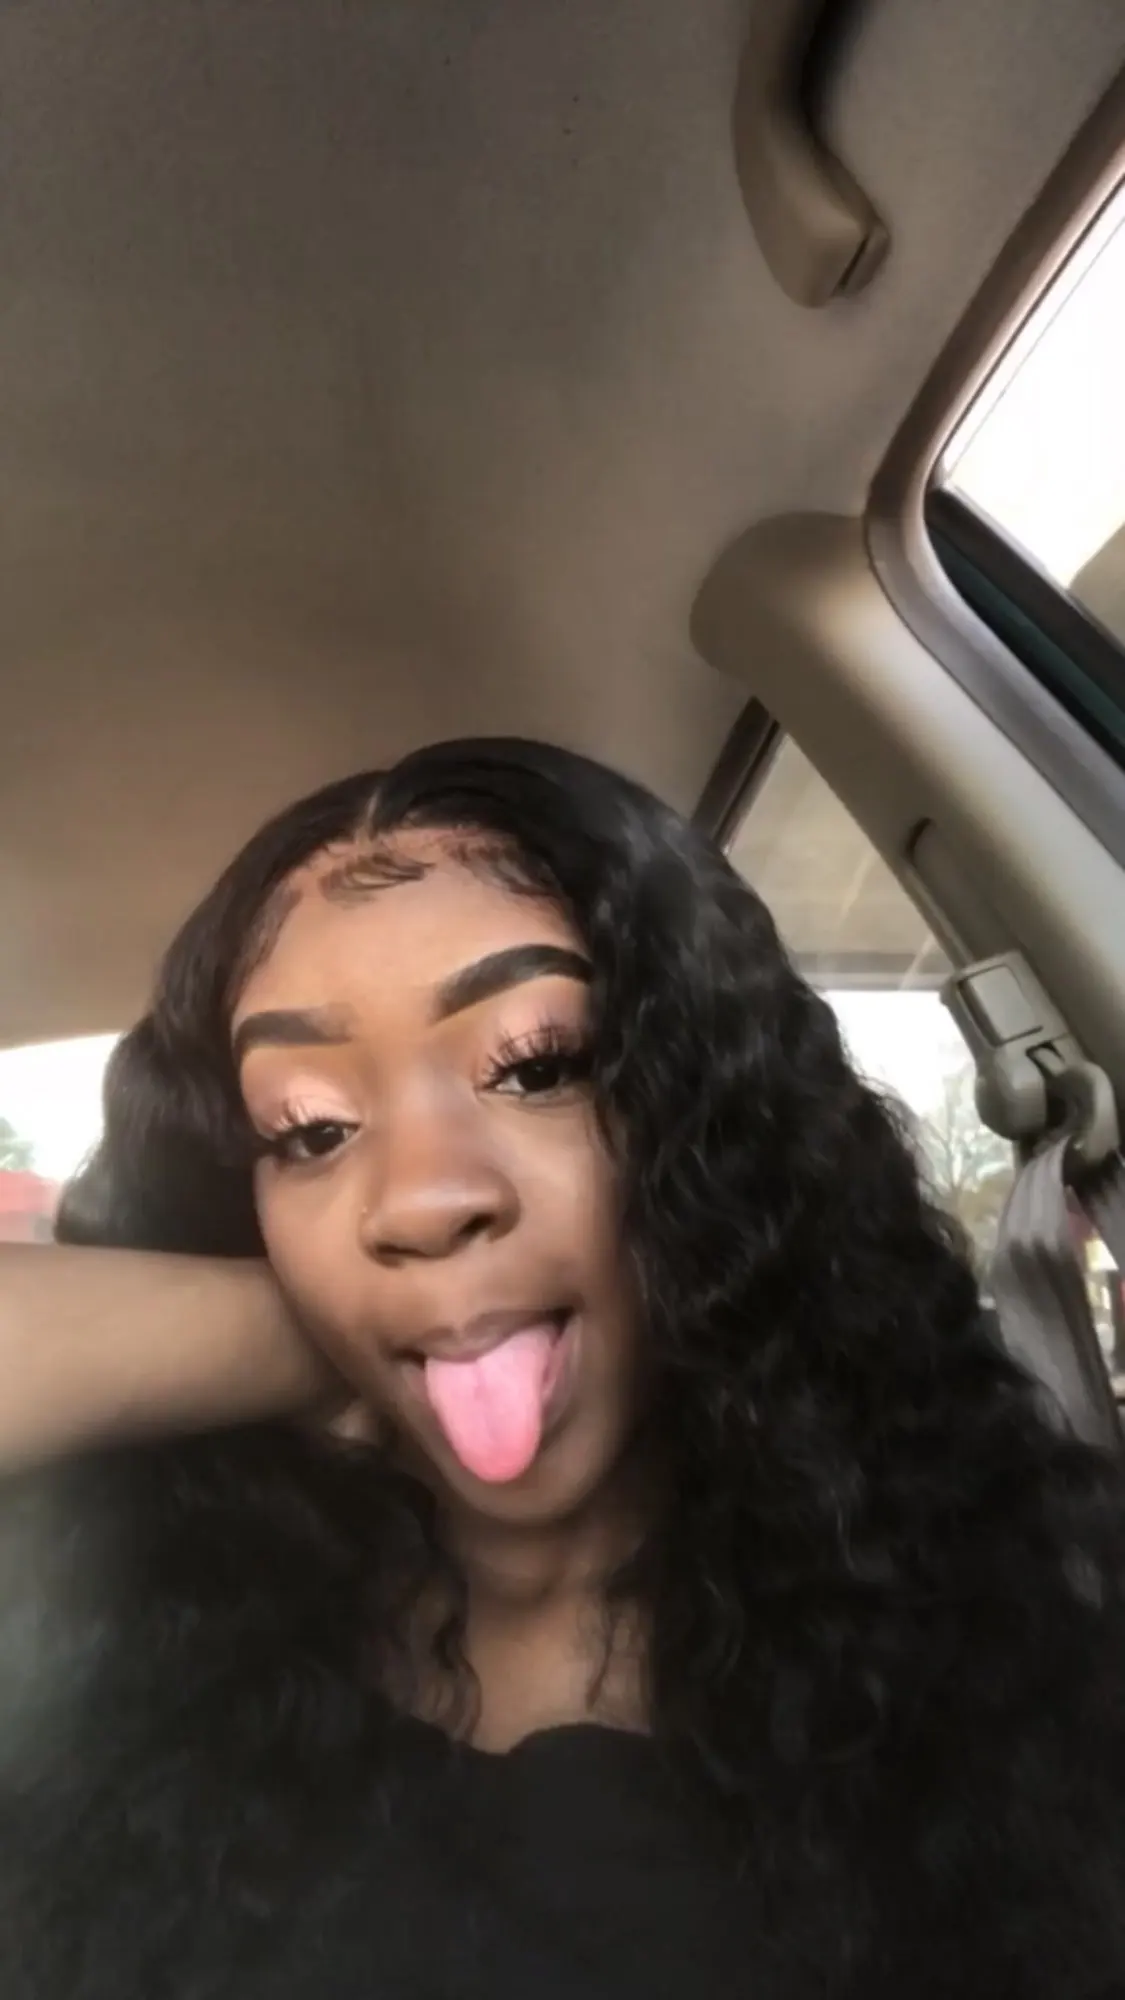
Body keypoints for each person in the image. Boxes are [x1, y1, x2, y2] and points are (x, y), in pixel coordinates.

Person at [2, 736, 1125, 1999]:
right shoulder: (127, 1638)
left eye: (538, 1065)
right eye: (310, 1130)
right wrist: (306, 1334)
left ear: (711, 1129)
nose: (423, 1197)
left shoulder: (1007, 1623)